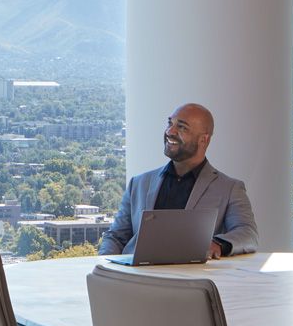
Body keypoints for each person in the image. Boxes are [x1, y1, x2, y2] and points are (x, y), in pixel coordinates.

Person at [100, 102, 258, 258]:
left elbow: (247, 233)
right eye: (170, 123)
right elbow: (115, 236)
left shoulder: (230, 189)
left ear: (203, 140)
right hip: (137, 278)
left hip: (190, 281)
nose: (170, 131)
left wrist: (217, 244)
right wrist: (103, 266)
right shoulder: (139, 183)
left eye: (182, 127)